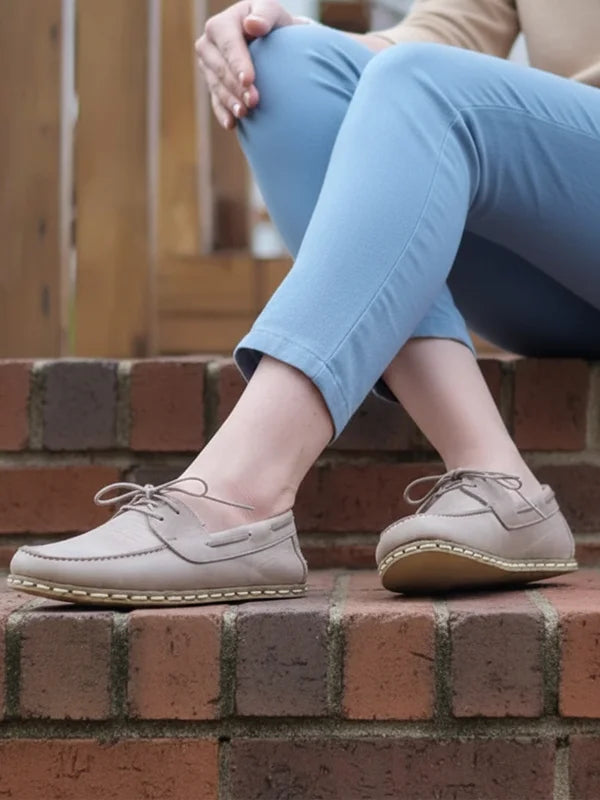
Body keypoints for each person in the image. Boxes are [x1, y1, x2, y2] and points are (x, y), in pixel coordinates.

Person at [8, 0, 600, 606]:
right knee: (283, 68)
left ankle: (240, 493)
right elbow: (450, 31)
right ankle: (498, 478)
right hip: (561, 265)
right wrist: (292, 34)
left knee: (422, 83)